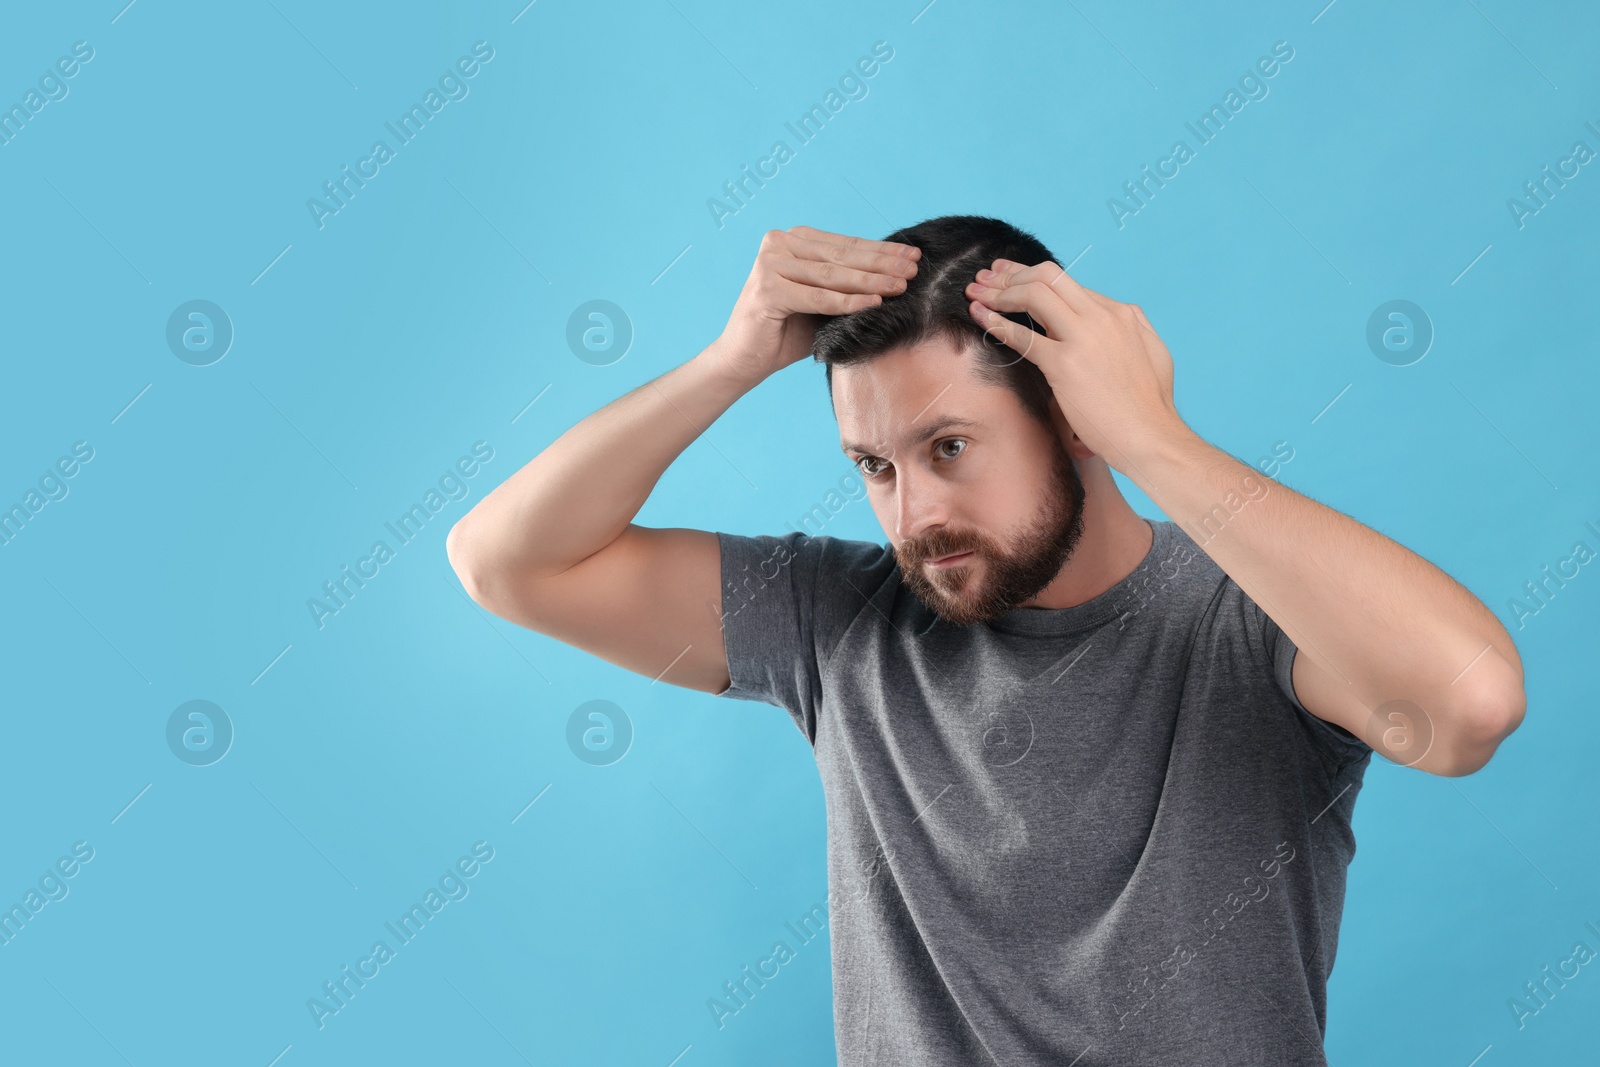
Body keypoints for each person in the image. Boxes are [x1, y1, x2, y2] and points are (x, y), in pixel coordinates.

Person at [446, 215, 1527, 1065]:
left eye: (948, 445)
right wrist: (727, 363)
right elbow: (509, 562)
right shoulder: (839, 619)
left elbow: (1469, 703)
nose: (912, 514)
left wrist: (1154, 436)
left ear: (1071, 416)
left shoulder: (1256, 617)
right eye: (875, 466)